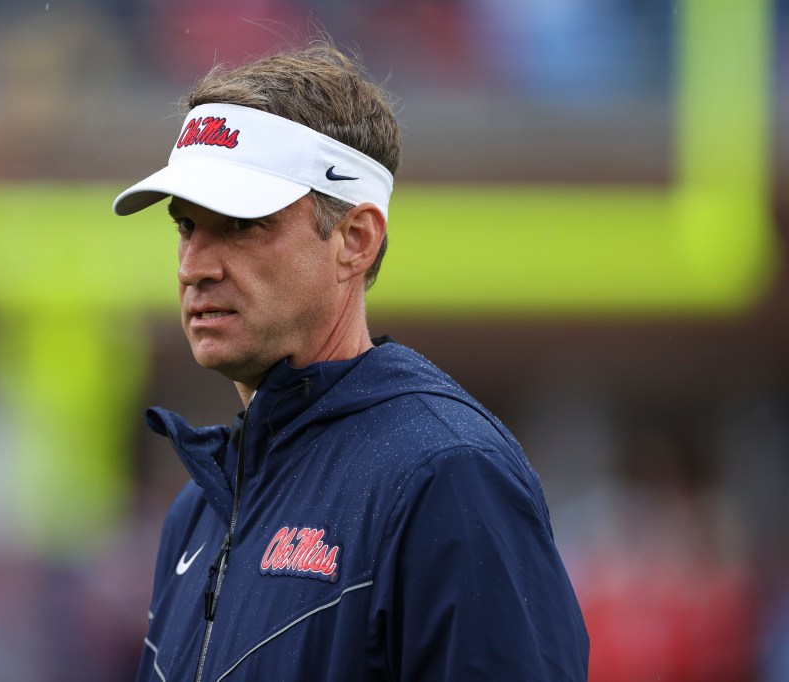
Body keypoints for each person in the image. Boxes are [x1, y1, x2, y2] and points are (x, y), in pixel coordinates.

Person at [112, 41, 589, 681]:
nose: (195, 266)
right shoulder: (200, 508)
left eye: (242, 225)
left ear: (355, 240)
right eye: (186, 227)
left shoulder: (447, 475)